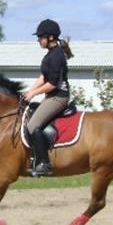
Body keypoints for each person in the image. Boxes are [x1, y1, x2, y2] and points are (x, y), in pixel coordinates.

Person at [23, 18, 73, 177]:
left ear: (50, 37)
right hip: (52, 95)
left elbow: (52, 84)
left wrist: (33, 94)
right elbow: (43, 77)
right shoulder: (50, 54)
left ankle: (44, 163)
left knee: (32, 125)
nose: (38, 40)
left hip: (59, 97)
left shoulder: (57, 56)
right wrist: (29, 92)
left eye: (40, 37)